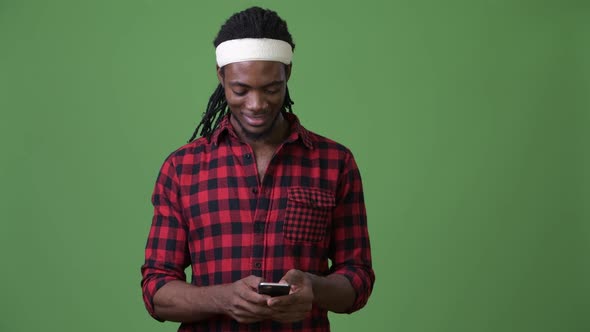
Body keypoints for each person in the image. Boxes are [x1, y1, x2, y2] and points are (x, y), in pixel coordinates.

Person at [141, 6, 375, 331]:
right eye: (240, 90)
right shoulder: (182, 169)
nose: (256, 104)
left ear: (287, 74)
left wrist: (313, 289)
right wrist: (222, 298)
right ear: (220, 76)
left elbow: (358, 277)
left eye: (271, 89)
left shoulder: (335, 163)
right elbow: (156, 290)